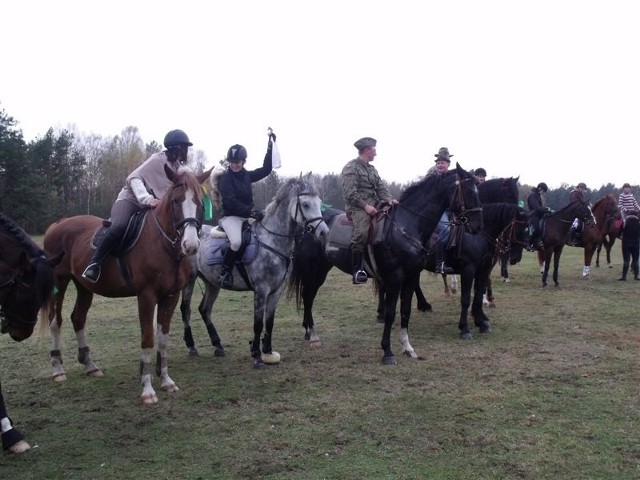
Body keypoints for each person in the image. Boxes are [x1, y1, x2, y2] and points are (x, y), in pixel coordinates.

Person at [82, 129, 194, 283]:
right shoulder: (157, 160)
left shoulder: (178, 167)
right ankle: (94, 264)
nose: (185, 151)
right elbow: (133, 178)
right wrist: (146, 199)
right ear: (176, 148)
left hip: (155, 206)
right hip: (131, 200)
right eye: (183, 147)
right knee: (119, 226)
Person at [217, 131, 275, 288]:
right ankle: (225, 271)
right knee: (236, 242)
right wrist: (251, 213)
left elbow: (266, 169)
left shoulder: (247, 176)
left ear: (244, 162)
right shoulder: (226, 179)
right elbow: (230, 202)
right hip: (231, 217)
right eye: (232, 162)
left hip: (248, 216)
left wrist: (270, 148)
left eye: (238, 162)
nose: (234, 165)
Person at [341, 137, 398, 284]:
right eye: (374, 150)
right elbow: (350, 193)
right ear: (366, 150)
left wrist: (389, 200)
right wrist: (365, 206)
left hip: (375, 203)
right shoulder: (351, 168)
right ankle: (357, 270)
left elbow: (380, 187)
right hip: (357, 207)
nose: (376, 153)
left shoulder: (372, 169)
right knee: (362, 232)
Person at [427, 147, 455, 274]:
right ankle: (440, 263)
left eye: (442, 163)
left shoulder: (453, 177)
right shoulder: (431, 175)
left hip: (452, 209)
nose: (440, 165)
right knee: (445, 229)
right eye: (438, 163)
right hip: (437, 210)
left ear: (448, 163)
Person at [526, 182, 549, 251]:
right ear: (540, 188)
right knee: (536, 228)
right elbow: (536, 208)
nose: (543, 193)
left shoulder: (538, 195)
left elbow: (540, 207)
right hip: (533, 215)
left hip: (539, 215)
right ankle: (528, 243)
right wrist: (545, 209)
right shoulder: (532, 195)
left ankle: (539, 241)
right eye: (543, 191)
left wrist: (546, 210)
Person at [618, 210, 640, 281]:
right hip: (636, 243)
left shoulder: (624, 222)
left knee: (626, 260)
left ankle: (624, 277)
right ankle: (636, 276)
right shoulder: (638, 222)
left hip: (626, 243)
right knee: (636, 260)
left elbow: (618, 231)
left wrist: (621, 237)